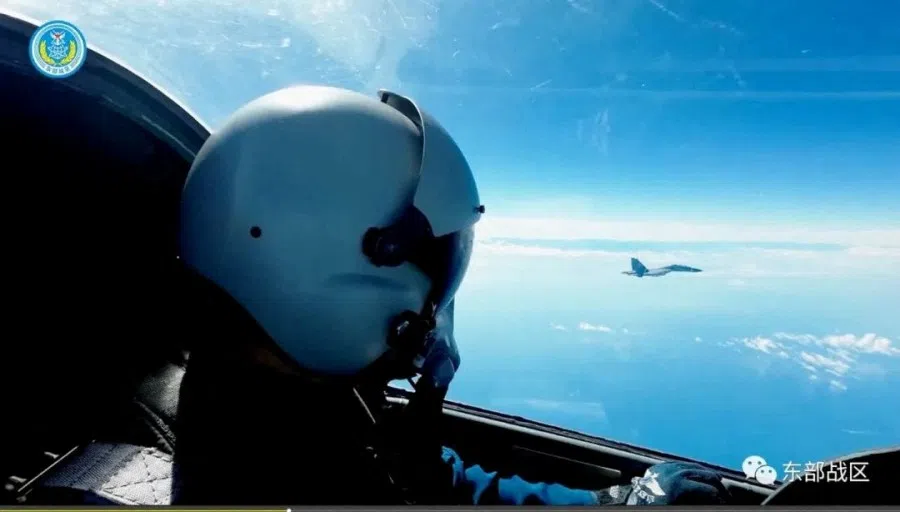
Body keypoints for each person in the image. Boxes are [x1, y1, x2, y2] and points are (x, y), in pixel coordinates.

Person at [172, 85, 731, 506]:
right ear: (343, 276)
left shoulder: (276, 403)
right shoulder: (283, 474)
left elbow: (423, 482)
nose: (433, 312)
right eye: (434, 272)